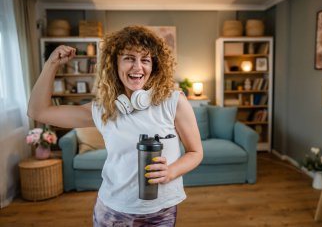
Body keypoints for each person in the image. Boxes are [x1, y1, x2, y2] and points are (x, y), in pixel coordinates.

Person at [28, 25, 203, 226]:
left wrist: (171, 171)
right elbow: (38, 111)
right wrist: (51, 64)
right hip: (113, 212)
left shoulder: (174, 102)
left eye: (145, 60)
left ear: (154, 65)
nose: (138, 67)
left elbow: (195, 152)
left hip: (161, 213)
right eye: (129, 58)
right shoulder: (104, 109)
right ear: (114, 63)